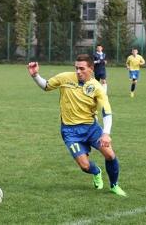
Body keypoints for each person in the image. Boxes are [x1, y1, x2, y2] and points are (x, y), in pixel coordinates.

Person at [27, 54, 127, 196]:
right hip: (70, 132)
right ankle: (96, 172)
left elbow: (106, 111)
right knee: (85, 166)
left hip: (91, 128)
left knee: (110, 155)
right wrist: (35, 75)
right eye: (76, 68)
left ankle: (114, 185)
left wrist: (106, 133)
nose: (78, 71)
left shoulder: (97, 88)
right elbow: (46, 86)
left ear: (91, 69)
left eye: (82, 68)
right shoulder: (64, 78)